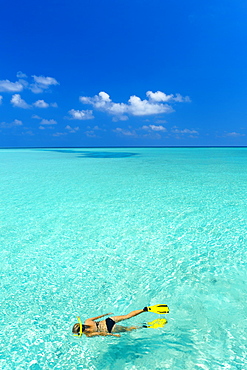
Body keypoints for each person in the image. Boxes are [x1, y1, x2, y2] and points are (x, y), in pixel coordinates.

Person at [72, 307, 149, 338]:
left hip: (110, 328)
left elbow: (101, 333)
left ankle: (144, 326)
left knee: (129, 329)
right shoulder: (87, 321)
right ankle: (144, 310)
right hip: (109, 320)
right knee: (127, 316)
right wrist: (107, 314)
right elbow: (99, 317)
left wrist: (114, 335)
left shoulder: (88, 334)